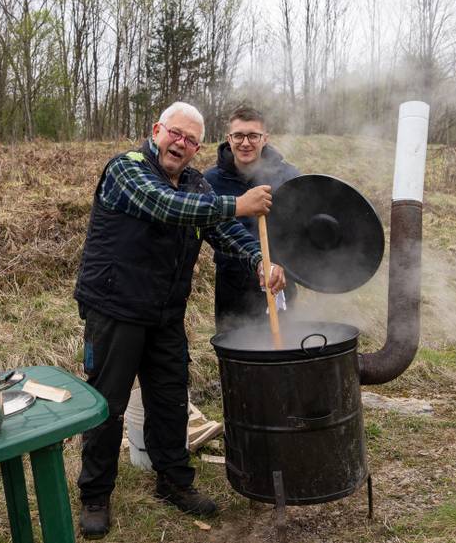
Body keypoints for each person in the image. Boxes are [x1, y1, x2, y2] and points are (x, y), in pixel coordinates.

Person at [73, 101, 286, 539]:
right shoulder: (127, 169)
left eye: (191, 140)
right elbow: (166, 207)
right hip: (114, 307)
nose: (182, 144)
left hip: (165, 312)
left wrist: (258, 261)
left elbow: (222, 232)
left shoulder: (193, 182)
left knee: (170, 399)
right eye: (176, 134)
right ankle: (95, 494)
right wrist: (238, 204)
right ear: (157, 130)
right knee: (106, 405)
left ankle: (174, 482)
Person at [203, 105, 301, 332]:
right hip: (232, 282)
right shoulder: (210, 180)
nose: (245, 143)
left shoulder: (289, 177)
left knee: (283, 351)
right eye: (238, 135)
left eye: (253, 136)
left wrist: (287, 265)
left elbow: (302, 229)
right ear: (229, 138)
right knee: (235, 351)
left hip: (279, 280)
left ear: (265, 138)